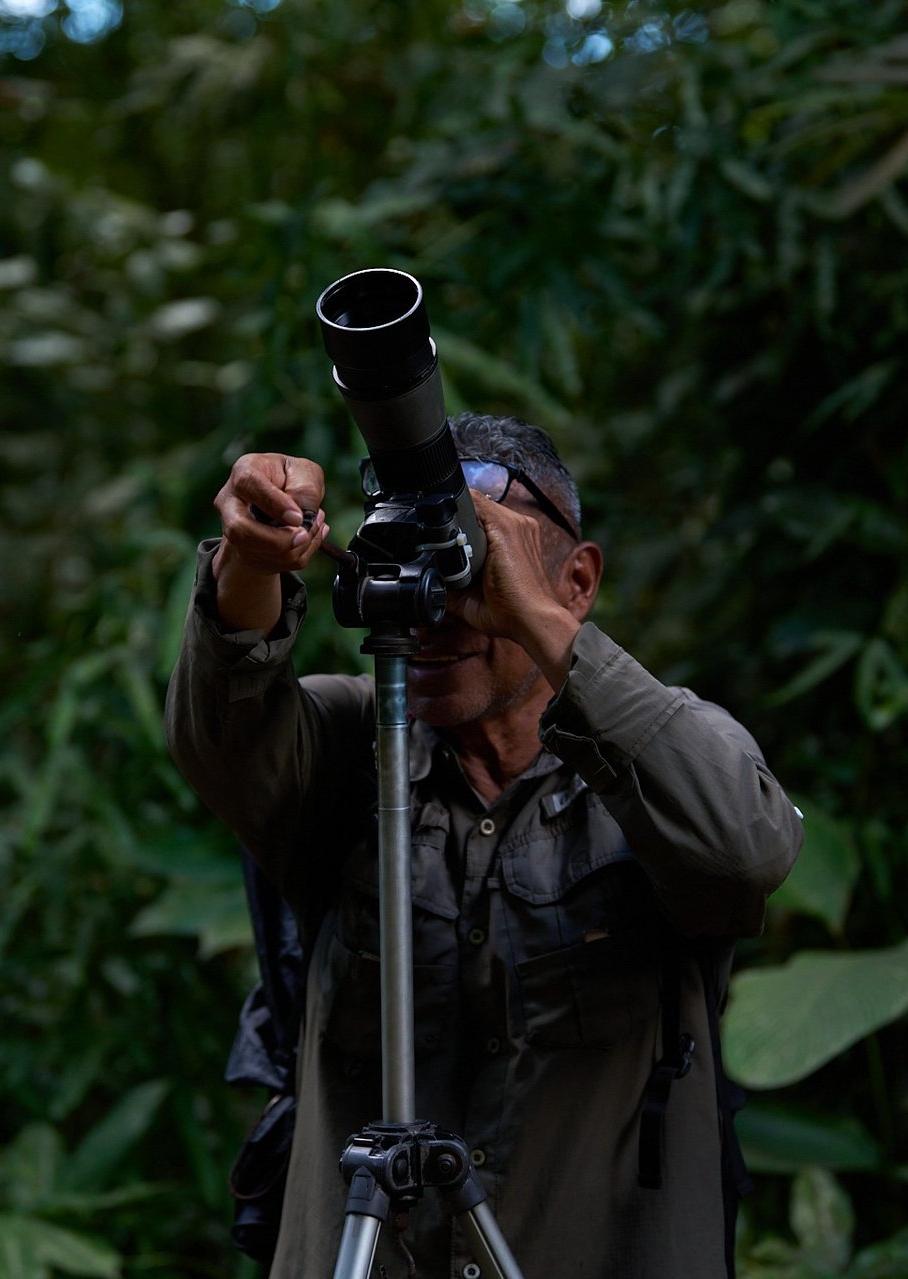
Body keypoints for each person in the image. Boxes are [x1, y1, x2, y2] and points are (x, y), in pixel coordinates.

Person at [165, 413, 803, 1278]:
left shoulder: (657, 756)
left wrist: (530, 612)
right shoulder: (357, 749)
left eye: (468, 556)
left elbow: (744, 850)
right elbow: (224, 735)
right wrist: (251, 556)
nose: (440, 604)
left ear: (578, 579)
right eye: (417, 562)